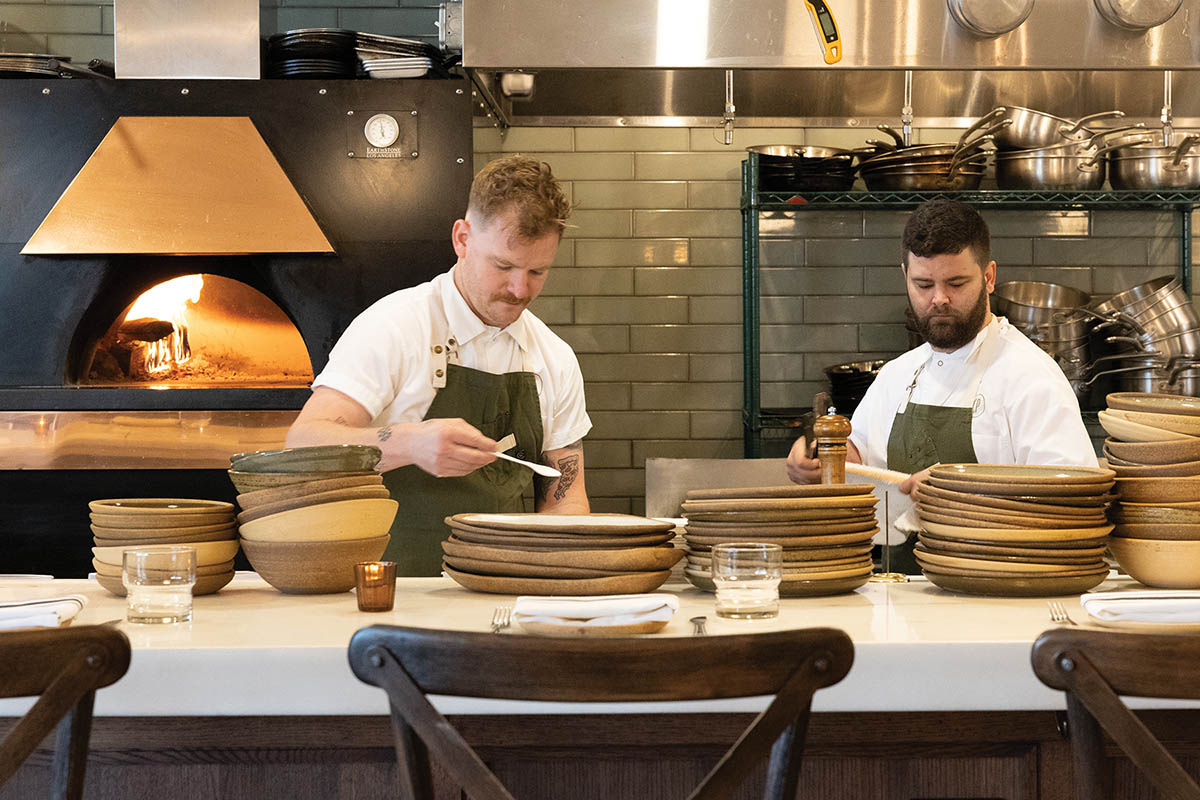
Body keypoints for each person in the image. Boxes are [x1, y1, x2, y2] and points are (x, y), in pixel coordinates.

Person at [286, 155, 592, 576]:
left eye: (537, 271)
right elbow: (302, 445)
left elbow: (564, 498)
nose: (520, 289)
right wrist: (410, 444)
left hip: (499, 587)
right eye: (503, 265)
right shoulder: (395, 326)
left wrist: (562, 585)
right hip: (385, 590)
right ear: (462, 239)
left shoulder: (553, 356)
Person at [785, 198, 1097, 572]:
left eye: (956, 283)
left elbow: (1074, 500)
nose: (939, 299)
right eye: (923, 284)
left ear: (989, 277)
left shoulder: (1031, 377)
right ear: (905, 276)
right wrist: (827, 462)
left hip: (998, 588)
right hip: (901, 592)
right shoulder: (897, 375)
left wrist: (962, 488)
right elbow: (860, 456)